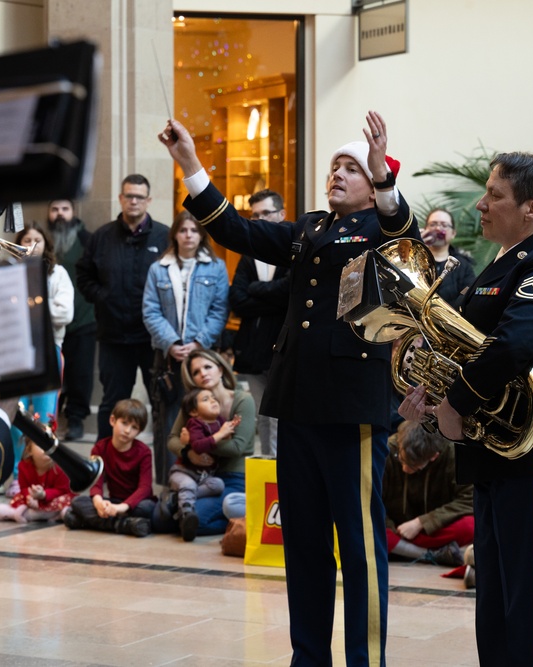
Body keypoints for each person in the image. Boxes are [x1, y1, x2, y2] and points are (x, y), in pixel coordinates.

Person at [161, 110, 418, 667]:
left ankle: (364, 658)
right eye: (335, 166)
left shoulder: (382, 226)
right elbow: (238, 230)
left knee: (359, 545)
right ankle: (309, 657)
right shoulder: (310, 228)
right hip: (298, 402)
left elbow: (406, 240)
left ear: (373, 183)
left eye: (351, 168)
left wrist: (385, 181)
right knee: (301, 543)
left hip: (352, 407)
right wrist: (190, 165)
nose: (338, 174)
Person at [399, 151, 533, 666]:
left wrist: (456, 400)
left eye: (495, 195)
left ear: (532, 208)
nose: (481, 203)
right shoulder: (501, 262)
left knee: (530, 600)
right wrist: (428, 401)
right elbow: (468, 351)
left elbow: (513, 345)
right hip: (498, 447)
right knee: (493, 597)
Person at [76, 175, 170, 441]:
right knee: (112, 404)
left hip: (153, 339)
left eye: (139, 196)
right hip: (113, 336)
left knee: (162, 402)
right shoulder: (102, 237)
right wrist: (102, 296)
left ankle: (164, 471)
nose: (133, 201)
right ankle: (104, 469)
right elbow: (83, 275)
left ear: (148, 200)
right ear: (120, 198)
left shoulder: (165, 237)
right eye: (129, 195)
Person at [142, 209, 229, 484]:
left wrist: (198, 343)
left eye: (193, 230)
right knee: (168, 421)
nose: (188, 235)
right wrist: (171, 343)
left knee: (207, 416)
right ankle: (170, 481)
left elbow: (219, 310)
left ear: (201, 234)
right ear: (175, 234)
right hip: (168, 358)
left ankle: (205, 476)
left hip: (202, 356)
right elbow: (150, 310)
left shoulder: (215, 267)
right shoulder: (159, 268)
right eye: (183, 230)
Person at [156, 349, 256, 537]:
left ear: (220, 370)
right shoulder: (195, 404)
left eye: (207, 367)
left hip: (236, 477)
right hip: (203, 477)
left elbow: (237, 448)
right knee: (165, 519)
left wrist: (197, 443)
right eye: (196, 372)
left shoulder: (243, 400)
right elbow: (172, 440)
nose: (203, 373)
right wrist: (188, 453)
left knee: (196, 520)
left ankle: (245, 519)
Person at [4, 221, 73, 489]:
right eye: (25, 240)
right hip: (16, 351)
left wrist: (27, 308)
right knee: (13, 415)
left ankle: (42, 477)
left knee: (44, 418)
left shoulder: (59, 275)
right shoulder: (9, 273)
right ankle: (14, 476)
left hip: (47, 351)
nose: (31, 244)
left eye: (37, 240)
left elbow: (65, 313)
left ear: (46, 245)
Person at [229, 188, 290, 456]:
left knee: (283, 416)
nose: (260, 219)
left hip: (285, 349)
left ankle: (284, 469)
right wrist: (271, 293)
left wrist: (256, 289)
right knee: (263, 415)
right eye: (255, 215)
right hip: (253, 351)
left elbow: (289, 294)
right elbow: (238, 300)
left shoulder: (294, 250)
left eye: (266, 213)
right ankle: (267, 468)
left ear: (281, 214)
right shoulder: (247, 254)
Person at [383, 420, 473, 567]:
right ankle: (432, 555)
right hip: (397, 529)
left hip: (434, 528)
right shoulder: (387, 450)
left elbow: (469, 499)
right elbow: (373, 502)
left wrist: (422, 522)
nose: (405, 468)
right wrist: (391, 527)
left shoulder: (452, 453)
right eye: (402, 459)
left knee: (471, 526)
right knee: (373, 529)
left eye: (413, 465)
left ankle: (406, 550)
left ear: (434, 456)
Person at [61, 398, 155, 536]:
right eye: (124, 423)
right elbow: (96, 483)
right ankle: (123, 524)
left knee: (146, 509)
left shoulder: (144, 452)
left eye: (134, 427)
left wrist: (120, 508)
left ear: (139, 432)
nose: (128, 430)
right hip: (114, 501)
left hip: (135, 504)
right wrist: (99, 502)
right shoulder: (100, 448)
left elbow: (145, 488)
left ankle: (87, 522)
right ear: (112, 420)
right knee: (78, 502)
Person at [47, 199, 95, 441]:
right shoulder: (42, 242)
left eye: (64, 209)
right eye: (55, 209)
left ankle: (75, 421)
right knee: (53, 373)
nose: (59, 214)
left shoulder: (88, 241)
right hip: (51, 325)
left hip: (83, 320)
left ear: (73, 213)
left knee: (80, 374)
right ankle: (49, 422)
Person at [169, 387, 239, 541]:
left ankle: (181, 497)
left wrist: (232, 426)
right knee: (187, 484)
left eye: (213, 397)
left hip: (203, 477)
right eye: (206, 400)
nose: (213, 401)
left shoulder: (219, 421)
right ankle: (187, 515)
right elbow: (198, 446)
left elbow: (229, 439)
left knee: (218, 485)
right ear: (194, 411)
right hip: (183, 472)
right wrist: (221, 434)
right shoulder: (195, 423)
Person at [0, 436, 74, 523]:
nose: (46, 448)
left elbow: (62, 490)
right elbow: (24, 488)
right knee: (15, 500)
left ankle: (37, 514)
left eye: (50, 444)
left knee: (66, 501)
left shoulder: (60, 467)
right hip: (34, 500)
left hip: (53, 499)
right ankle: (39, 514)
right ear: (29, 450)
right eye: (40, 444)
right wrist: (30, 497)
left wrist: (44, 495)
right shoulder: (23, 466)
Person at [420, 207, 476, 307]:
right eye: (433, 224)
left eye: (444, 225)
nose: (438, 229)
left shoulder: (463, 266)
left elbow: (467, 295)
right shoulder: (415, 259)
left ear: (453, 233)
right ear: (425, 229)